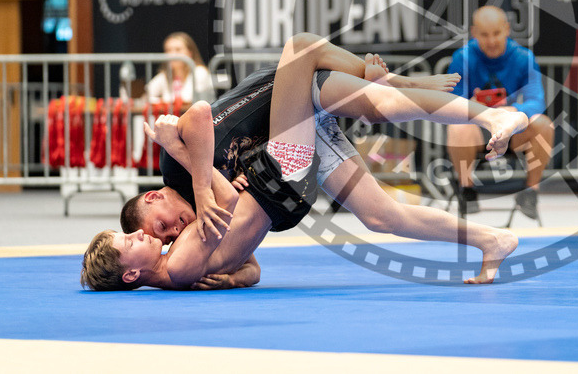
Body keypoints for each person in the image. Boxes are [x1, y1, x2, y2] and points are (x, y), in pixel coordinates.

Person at [81, 33, 528, 291]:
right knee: (301, 48)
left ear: (154, 197)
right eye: (143, 239)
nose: (166, 231)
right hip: (286, 158)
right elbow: (233, 220)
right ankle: (477, 114)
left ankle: (490, 235)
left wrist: (233, 271)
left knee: (381, 210)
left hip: (286, 127)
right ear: (132, 272)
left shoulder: (179, 218)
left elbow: (248, 261)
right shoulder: (180, 258)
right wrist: (208, 184)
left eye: (157, 226)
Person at [446, 6, 555, 219]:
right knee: (457, 127)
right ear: (474, 33)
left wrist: (512, 110)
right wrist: (473, 107)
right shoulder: (462, 57)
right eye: (485, 35)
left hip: (510, 128)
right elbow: (451, 104)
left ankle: (530, 192)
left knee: (544, 124)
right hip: (476, 128)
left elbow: (537, 101)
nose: (492, 41)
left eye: (496, 33)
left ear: (507, 29)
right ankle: (467, 190)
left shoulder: (523, 57)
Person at [145, 32, 214, 104]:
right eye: (168, 50)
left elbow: (187, 99)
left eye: (178, 50)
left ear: (190, 53)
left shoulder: (200, 72)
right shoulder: (166, 74)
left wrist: (162, 101)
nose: (172, 54)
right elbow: (148, 93)